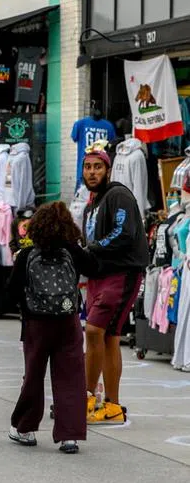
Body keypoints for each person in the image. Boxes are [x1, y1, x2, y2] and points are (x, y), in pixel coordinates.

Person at [6, 201, 95, 454]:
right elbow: (93, 268)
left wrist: (27, 303)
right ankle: (70, 436)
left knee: (33, 375)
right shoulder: (73, 252)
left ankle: (25, 428)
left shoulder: (26, 255)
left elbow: (12, 290)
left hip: (36, 322)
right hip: (68, 321)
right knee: (71, 376)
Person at [79, 144, 148, 425]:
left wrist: (92, 248)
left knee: (94, 331)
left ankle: (85, 398)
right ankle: (112, 405)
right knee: (107, 337)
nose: (92, 172)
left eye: (98, 167)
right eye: (87, 167)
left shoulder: (118, 194)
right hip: (99, 276)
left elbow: (124, 232)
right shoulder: (92, 203)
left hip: (122, 273)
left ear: (108, 170)